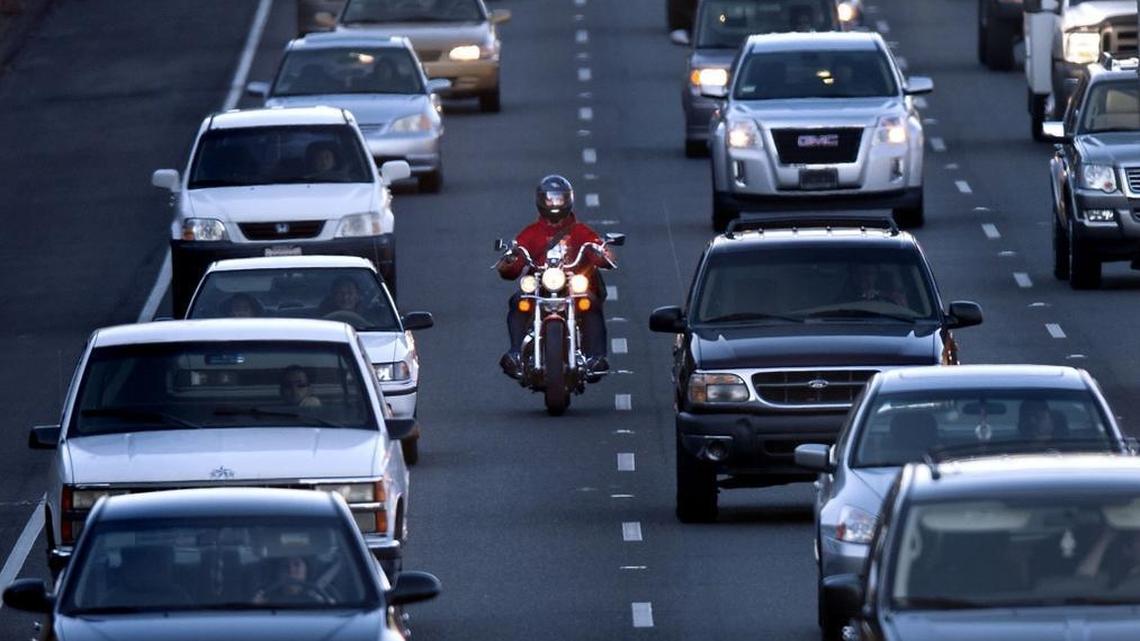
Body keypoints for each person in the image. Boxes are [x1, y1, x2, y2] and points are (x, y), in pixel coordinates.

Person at [496, 175, 613, 379]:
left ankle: (596, 357)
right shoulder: (531, 233)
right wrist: (510, 258)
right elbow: (511, 264)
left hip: (572, 285)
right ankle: (515, 352)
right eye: (550, 199)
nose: (555, 203)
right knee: (518, 302)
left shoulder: (580, 231)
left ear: (568, 200)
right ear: (541, 201)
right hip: (540, 285)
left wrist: (602, 252)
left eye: (559, 198)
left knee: (590, 302)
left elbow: (601, 250)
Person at [253, 555, 329, 605]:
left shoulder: (319, 600)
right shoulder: (265, 600)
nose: (291, 570)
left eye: (297, 564)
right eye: (285, 566)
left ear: (307, 570)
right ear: (278, 573)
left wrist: (328, 606)